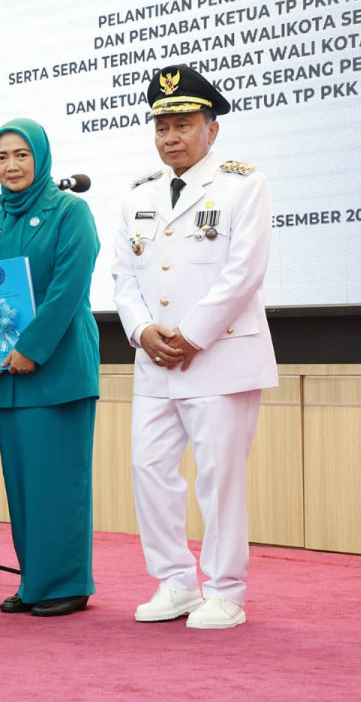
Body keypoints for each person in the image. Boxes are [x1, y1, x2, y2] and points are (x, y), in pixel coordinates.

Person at [112, 65, 278, 630]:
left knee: (218, 474)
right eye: (161, 127)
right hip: (154, 360)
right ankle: (176, 582)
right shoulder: (139, 193)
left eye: (182, 124)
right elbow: (122, 274)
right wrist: (142, 330)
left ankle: (226, 589)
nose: (170, 137)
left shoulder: (242, 185)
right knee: (149, 467)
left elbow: (244, 272)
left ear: (212, 129)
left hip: (220, 357)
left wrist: (191, 335)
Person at [0, 118, 100, 617]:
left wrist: (32, 348)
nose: (12, 165)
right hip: (7, 377)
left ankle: (67, 584)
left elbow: (69, 287)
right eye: (2, 157)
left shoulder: (69, 211)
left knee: (58, 483)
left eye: (21, 155)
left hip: (56, 373)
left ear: (40, 157)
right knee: (22, 485)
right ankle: (36, 580)